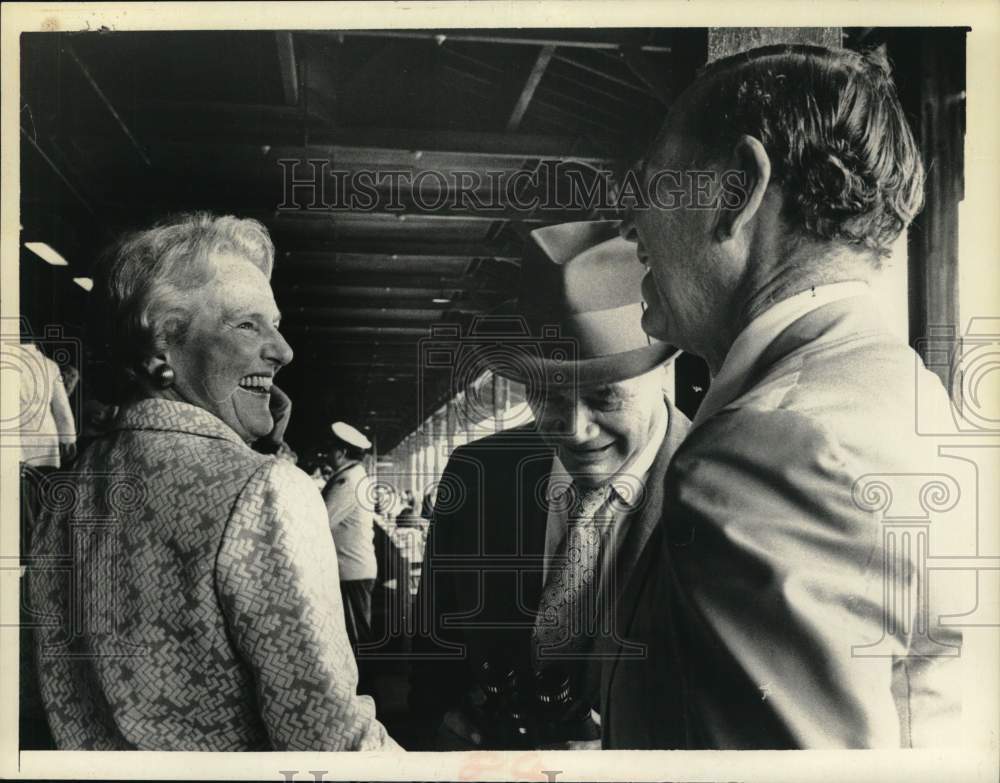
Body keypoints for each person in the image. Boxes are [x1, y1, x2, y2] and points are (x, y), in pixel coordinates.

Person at [612, 44, 963, 748]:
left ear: (738, 189)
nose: (630, 224)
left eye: (649, 183)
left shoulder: (765, 451)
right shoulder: (911, 396)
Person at [28, 213, 398, 751]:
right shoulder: (267, 491)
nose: (283, 350)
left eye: (276, 323)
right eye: (248, 325)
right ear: (162, 354)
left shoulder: (64, 495)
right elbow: (328, 742)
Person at [410, 220, 689, 749]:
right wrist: (445, 721)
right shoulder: (476, 474)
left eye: (605, 396)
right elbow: (432, 652)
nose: (575, 428)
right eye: (548, 396)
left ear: (662, 368)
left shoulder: (720, 487)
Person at [322, 422, 378, 657]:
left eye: (331, 450)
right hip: (354, 568)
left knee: (355, 639)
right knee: (356, 636)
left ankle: (366, 689)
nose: (327, 455)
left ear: (341, 453)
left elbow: (322, 518)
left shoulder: (347, 482)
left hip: (350, 571)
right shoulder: (353, 476)